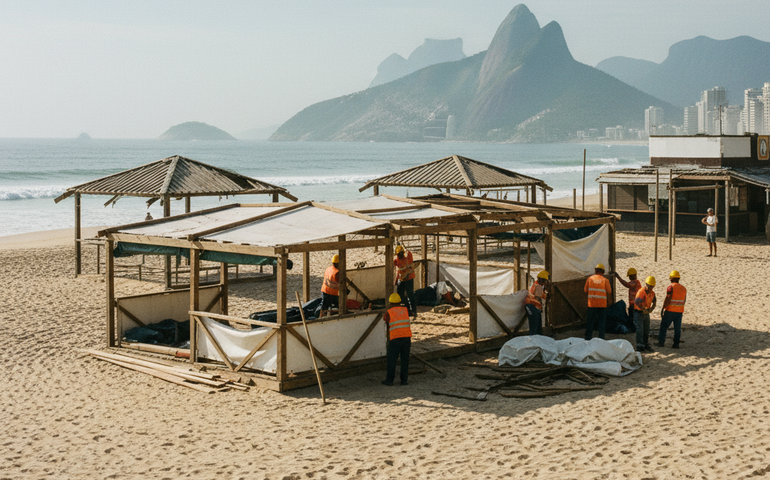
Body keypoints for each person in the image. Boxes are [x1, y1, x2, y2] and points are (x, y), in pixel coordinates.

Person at [382, 293, 411, 386]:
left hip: (395, 339)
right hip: (406, 338)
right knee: (405, 360)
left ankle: (390, 381)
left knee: (392, 360)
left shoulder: (389, 312)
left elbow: (386, 323)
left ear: (390, 303)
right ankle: (404, 381)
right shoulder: (405, 310)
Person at [658, 270, 687, 348]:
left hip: (670, 310)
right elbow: (684, 300)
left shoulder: (670, 287)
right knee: (677, 328)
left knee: (664, 326)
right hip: (679, 311)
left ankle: (661, 343)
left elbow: (668, 298)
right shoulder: (684, 288)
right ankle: (676, 344)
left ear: (671, 278)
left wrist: (663, 308)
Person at [584, 263, 612, 340]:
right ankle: (601, 339)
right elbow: (609, 291)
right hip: (602, 305)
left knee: (590, 322)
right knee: (601, 323)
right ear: (603, 272)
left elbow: (585, 290)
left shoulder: (589, 279)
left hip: (591, 304)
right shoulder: (605, 280)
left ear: (595, 271)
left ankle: (587, 338)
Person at [633, 276, 657, 352]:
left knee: (646, 329)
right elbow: (637, 302)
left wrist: (652, 308)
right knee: (640, 329)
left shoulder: (652, 293)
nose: (650, 288)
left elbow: (654, 301)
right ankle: (640, 346)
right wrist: (643, 308)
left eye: (652, 287)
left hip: (646, 313)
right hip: (638, 312)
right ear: (646, 284)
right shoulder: (641, 292)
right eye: (649, 286)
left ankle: (645, 344)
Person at [394, 245, 417, 319]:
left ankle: (413, 311)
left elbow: (409, 253)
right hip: (402, 279)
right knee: (400, 295)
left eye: (401, 253)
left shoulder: (408, 258)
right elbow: (398, 270)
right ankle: (407, 309)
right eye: (399, 254)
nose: (400, 255)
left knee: (410, 295)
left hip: (409, 278)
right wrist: (396, 280)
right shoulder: (397, 260)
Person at [525, 271, 549, 336]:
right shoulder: (538, 286)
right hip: (532, 306)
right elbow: (540, 297)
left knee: (537, 326)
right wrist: (547, 294)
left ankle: (536, 339)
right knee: (535, 327)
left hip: (534, 307)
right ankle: (534, 341)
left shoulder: (536, 284)